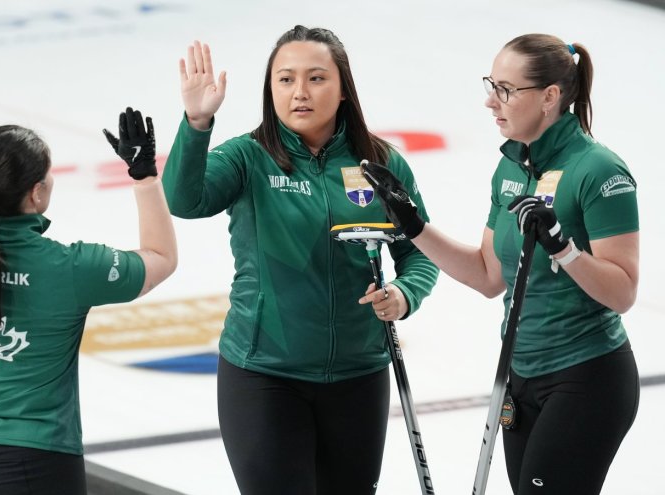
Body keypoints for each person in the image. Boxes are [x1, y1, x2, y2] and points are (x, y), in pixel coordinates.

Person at [162, 26, 439, 494]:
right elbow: (184, 201)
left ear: (343, 88)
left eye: (316, 78)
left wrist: (404, 293)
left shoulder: (381, 162)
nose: (300, 92)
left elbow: (421, 253)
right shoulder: (247, 157)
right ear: (270, 89)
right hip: (264, 375)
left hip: (359, 374)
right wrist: (196, 123)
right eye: (286, 79)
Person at [363, 33, 639, 495]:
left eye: (506, 90)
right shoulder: (511, 168)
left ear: (549, 97)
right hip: (521, 374)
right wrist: (413, 225)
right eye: (492, 85)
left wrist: (564, 248)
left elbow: (623, 291)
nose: (490, 101)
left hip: (586, 375)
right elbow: (489, 275)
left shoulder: (599, 171)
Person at [0, 108, 177, 495]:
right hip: (38, 458)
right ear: (36, 193)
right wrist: (144, 176)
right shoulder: (70, 267)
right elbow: (161, 258)